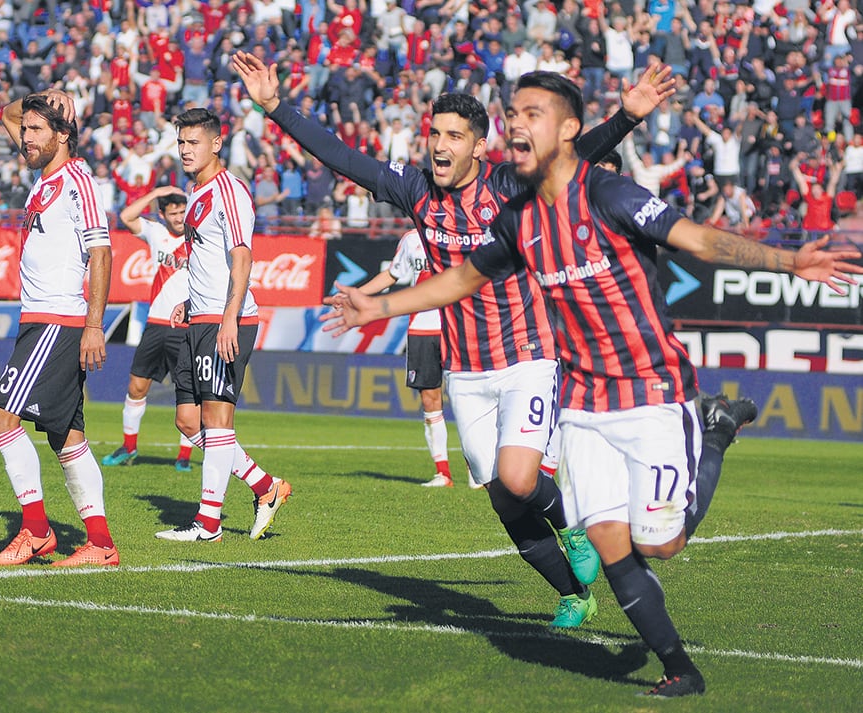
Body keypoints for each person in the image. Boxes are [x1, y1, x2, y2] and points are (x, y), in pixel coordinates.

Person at [320, 71, 863, 697]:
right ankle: (680, 669)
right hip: (582, 401)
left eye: (532, 113)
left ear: (569, 130)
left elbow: (704, 241)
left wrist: (792, 260)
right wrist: (378, 307)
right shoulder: (520, 219)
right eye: (514, 112)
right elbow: (463, 278)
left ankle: (714, 432)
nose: (517, 123)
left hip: (654, 391)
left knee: (660, 546)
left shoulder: (611, 196)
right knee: (608, 540)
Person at [234, 51, 676, 627]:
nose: (439, 145)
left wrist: (628, 117)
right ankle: (573, 593)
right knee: (500, 495)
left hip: (527, 356)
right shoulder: (416, 190)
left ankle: (572, 525)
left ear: (478, 148)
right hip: (463, 370)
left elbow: (576, 155)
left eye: (453, 136)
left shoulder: (507, 187)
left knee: (521, 478)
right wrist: (275, 107)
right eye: (433, 133)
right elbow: (342, 156)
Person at [0, 89, 119, 567]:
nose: (26, 137)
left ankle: (36, 530)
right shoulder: (45, 175)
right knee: (67, 438)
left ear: (65, 135)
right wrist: (37, 98)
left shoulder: (77, 180)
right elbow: (4, 112)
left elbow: (102, 252)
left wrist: (94, 325)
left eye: (38, 129)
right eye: (26, 130)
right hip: (40, 319)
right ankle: (100, 545)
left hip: (56, 320)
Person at [155, 107, 292, 543]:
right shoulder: (195, 194)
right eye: (181, 142)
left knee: (216, 420)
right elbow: (205, 259)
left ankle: (208, 524)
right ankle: (265, 487)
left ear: (216, 143)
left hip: (227, 319)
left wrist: (228, 317)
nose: (185, 150)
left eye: (193, 142)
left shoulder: (230, 191)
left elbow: (241, 257)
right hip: (201, 316)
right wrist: (190, 304)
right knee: (188, 420)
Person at [101, 185, 197, 473]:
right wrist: (156, 192)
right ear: (162, 214)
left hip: (185, 326)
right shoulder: (156, 233)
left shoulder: (200, 237)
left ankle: (184, 456)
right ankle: (129, 447)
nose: (180, 217)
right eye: (174, 213)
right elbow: (126, 216)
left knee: (188, 393)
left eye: (183, 211)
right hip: (155, 323)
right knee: (136, 386)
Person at [358, 228, 458, 488]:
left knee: (465, 397)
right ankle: (443, 473)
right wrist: (357, 295)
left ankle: (479, 473)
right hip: (422, 328)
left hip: (457, 326)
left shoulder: (462, 230)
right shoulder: (412, 238)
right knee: (430, 398)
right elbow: (392, 275)